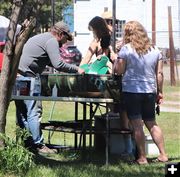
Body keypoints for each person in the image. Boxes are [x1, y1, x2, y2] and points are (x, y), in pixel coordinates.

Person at [15, 21, 84, 154]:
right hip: (29, 78)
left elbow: (48, 61)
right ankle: (39, 145)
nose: (65, 42)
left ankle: (27, 144)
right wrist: (77, 69)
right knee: (33, 112)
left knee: (23, 113)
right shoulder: (51, 41)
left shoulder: (41, 37)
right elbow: (58, 64)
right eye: (66, 38)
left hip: (19, 76)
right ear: (60, 34)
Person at [114, 20, 168, 164]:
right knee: (152, 123)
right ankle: (163, 154)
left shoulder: (126, 49)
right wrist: (160, 91)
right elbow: (160, 74)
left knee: (137, 125)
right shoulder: (155, 50)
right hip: (150, 90)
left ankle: (142, 157)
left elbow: (119, 70)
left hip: (132, 90)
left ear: (128, 34)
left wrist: (116, 59)